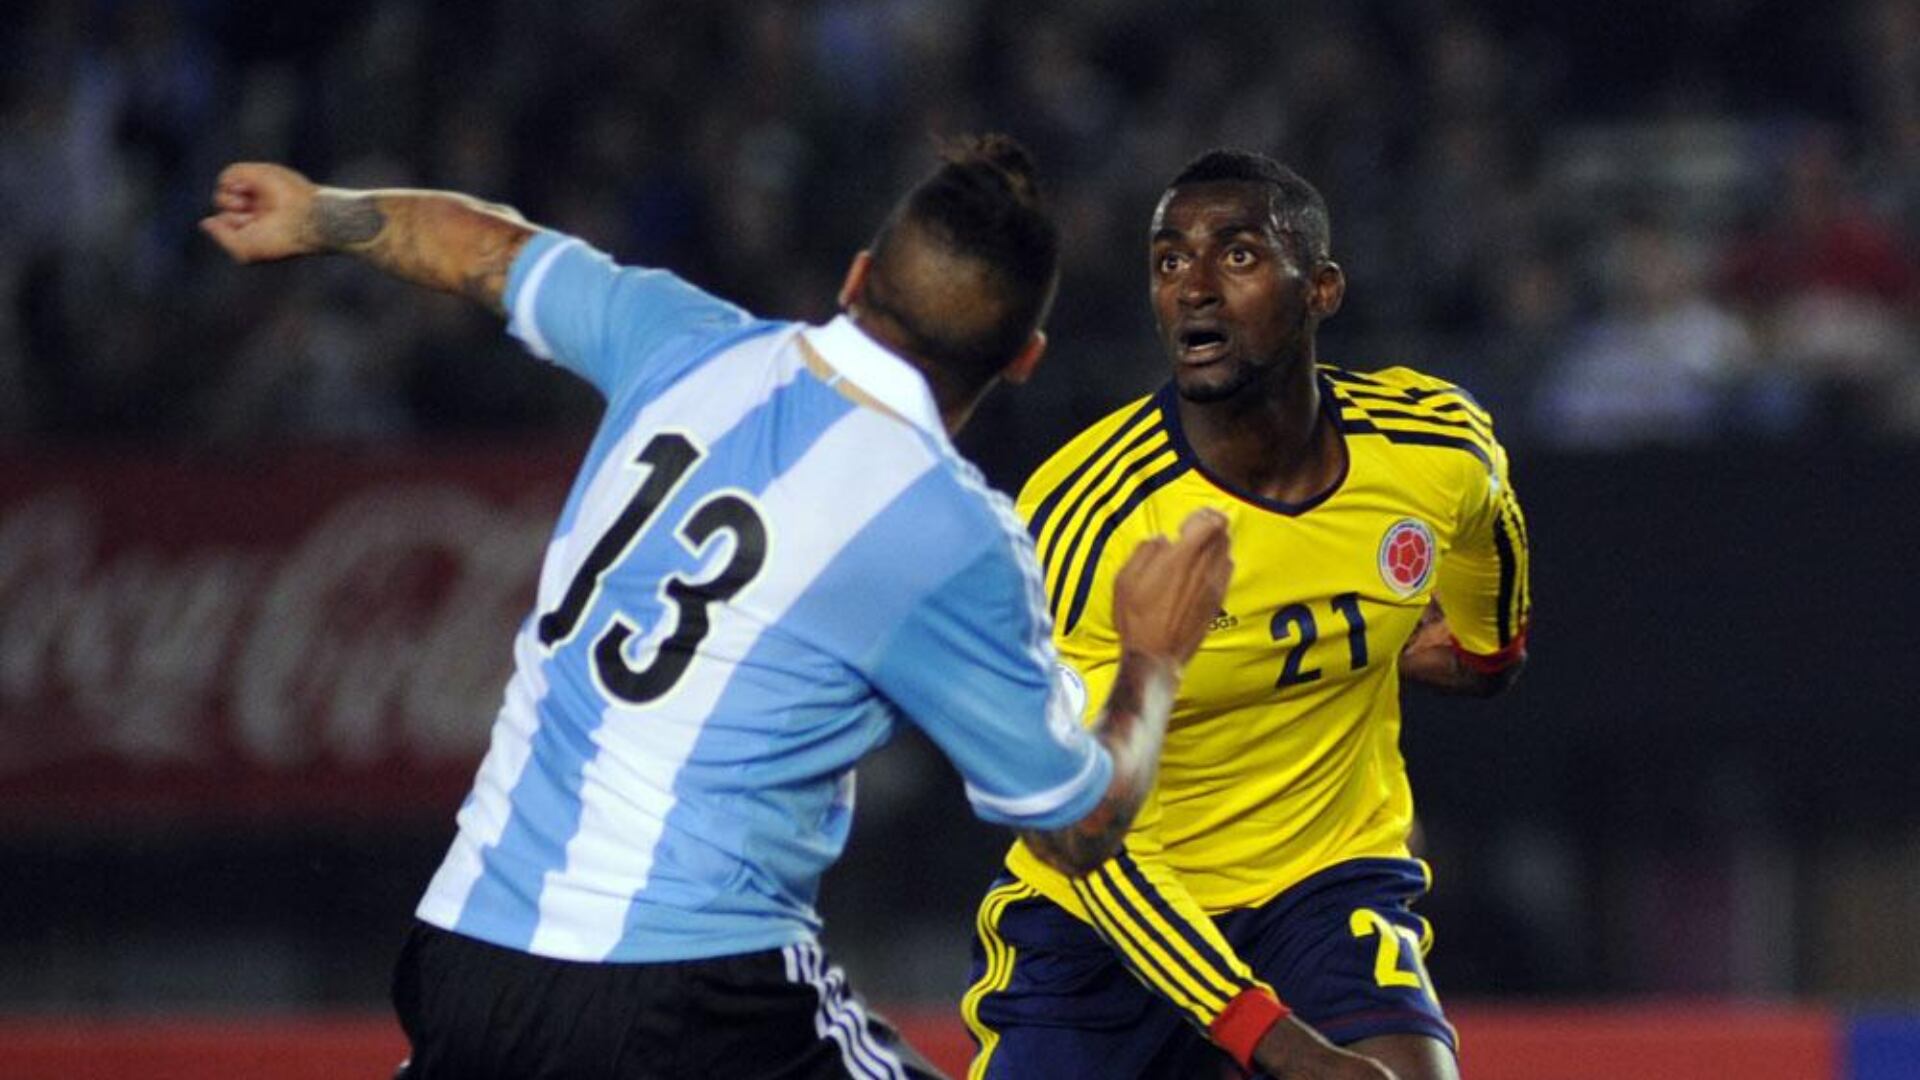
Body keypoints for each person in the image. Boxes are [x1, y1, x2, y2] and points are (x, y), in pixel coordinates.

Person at [201, 136, 1236, 1080]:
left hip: (468, 955)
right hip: (690, 997)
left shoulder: (680, 339)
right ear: (1023, 358)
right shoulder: (947, 531)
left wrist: (318, 213)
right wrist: (1152, 657)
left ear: (858, 279)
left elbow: (481, 249)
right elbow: (1077, 823)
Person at [961, 149, 1532, 1080]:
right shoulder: (1086, 518)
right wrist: (1284, 1049)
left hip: (1322, 890)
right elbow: (1087, 838)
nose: (1194, 287)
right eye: (1169, 260)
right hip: (1104, 931)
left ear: (1322, 289)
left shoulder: (1433, 452)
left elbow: (1488, 553)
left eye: (1236, 255)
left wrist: (1484, 654)